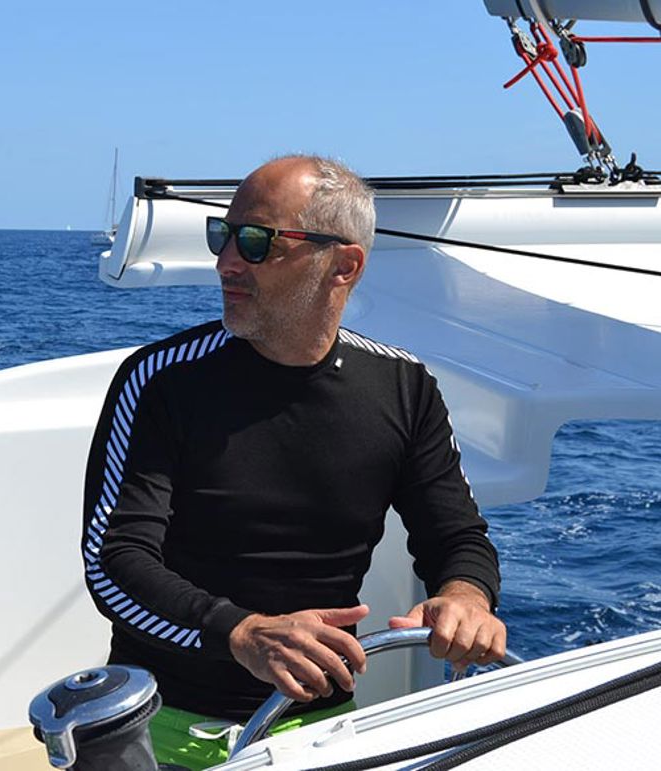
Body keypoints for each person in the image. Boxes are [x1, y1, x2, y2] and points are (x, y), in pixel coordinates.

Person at [80, 155, 505, 769]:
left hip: (322, 733)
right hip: (165, 723)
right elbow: (113, 562)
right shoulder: (162, 381)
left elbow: (458, 537)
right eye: (222, 236)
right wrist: (241, 632)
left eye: (256, 241)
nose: (226, 260)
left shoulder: (404, 387)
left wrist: (466, 597)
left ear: (344, 265)